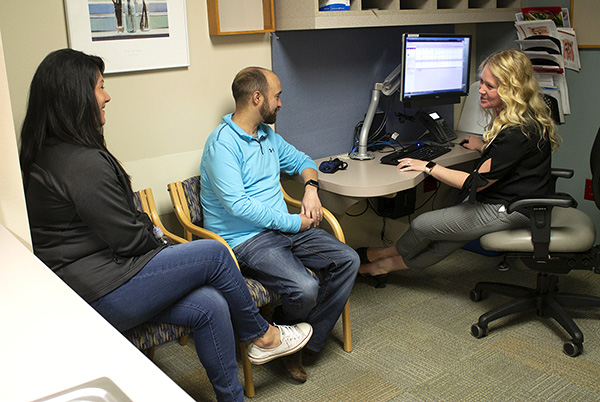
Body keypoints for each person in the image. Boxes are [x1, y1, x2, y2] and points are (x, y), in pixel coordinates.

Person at [20, 49, 313, 402]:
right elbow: (130, 240)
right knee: (215, 254)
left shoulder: (55, 151)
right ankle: (262, 336)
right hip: (96, 292)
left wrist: (162, 246)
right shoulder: (78, 163)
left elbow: (128, 222)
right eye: (100, 86)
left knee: (211, 304)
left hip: (106, 277)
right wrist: (170, 254)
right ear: (75, 96)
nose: (107, 95)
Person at [200, 67, 360, 382]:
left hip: (283, 228)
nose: (281, 104)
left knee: (348, 260)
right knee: (304, 287)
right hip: (245, 239)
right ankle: (287, 342)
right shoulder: (222, 145)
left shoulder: (267, 135)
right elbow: (239, 206)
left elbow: (304, 161)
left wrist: (312, 190)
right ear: (257, 97)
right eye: (277, 96)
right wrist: (294, 222)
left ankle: (301, 340)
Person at [357, 49, 560, 285]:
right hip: (521, 200)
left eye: (490, 86)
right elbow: (513, 159)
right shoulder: (525, 117)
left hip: (514, 210)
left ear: (511, 90)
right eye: (481, 82)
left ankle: (383, 255)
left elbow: (475, 183)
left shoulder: (517, 131)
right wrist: (483, 147)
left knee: (423, 224)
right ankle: (383, 267)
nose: (481, 90)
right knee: (448, 239)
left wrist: (428, 166)